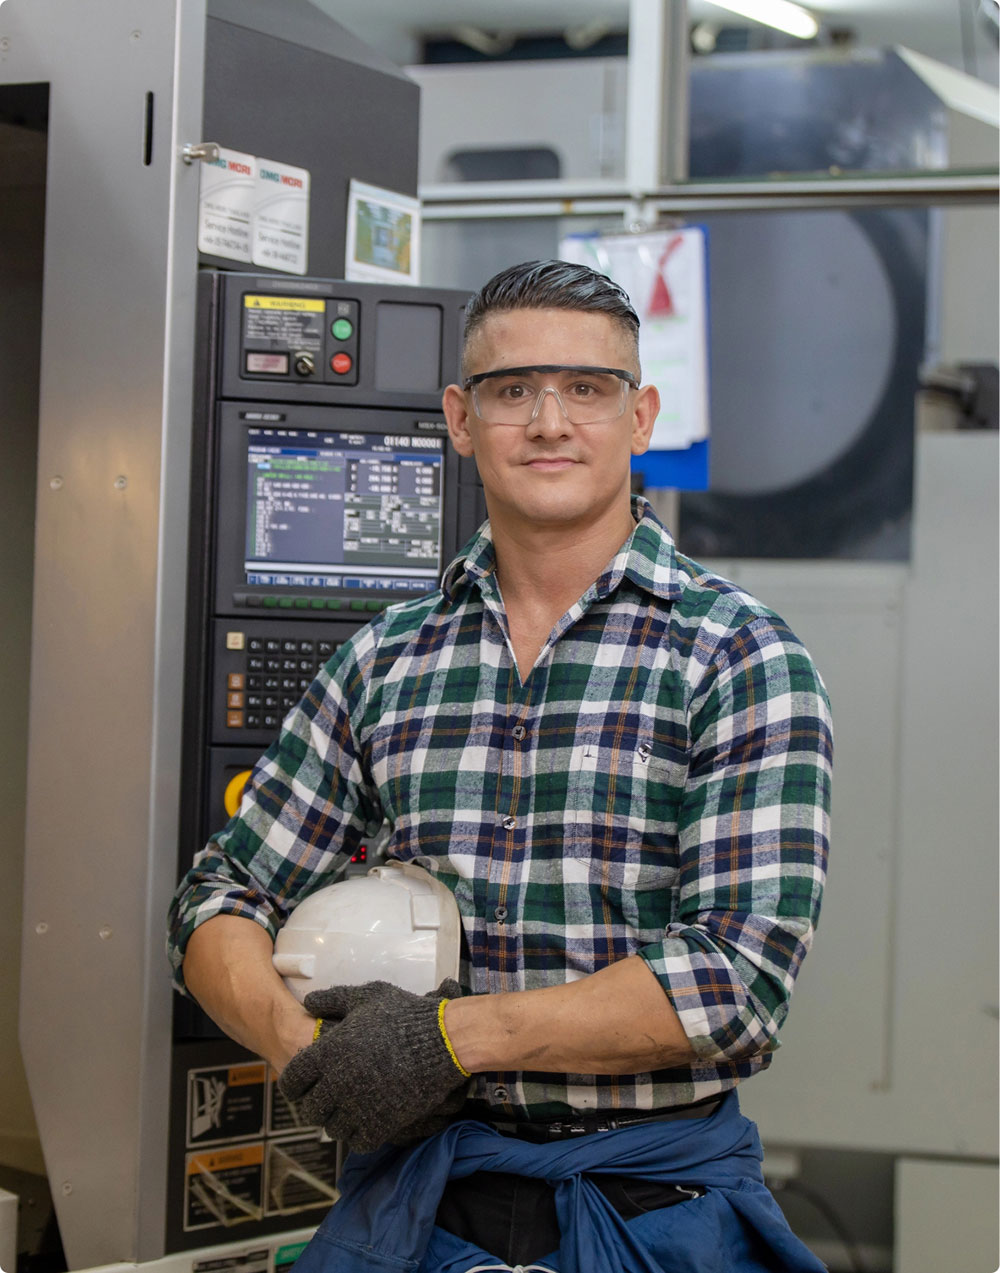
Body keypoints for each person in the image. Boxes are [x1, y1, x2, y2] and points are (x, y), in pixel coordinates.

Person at [168, 259, 833, 1272]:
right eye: (512, 389)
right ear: (459, 417)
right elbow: (219, 896)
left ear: (641, 416)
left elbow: (731, 983)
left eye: (587, 388)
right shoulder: (385, 661)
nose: (550, 422)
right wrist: (309, 1049)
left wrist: (449, 1039)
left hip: (653, 1215)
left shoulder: (736, 657)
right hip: (419, 1213)